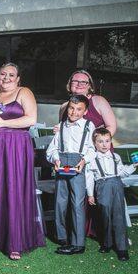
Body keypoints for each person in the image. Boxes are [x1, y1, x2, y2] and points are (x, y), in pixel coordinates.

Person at [0, 62, 45, 260]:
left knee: (13, 189)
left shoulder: (24, 92)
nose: (6, 78)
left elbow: (31, 119)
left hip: (16, 147)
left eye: (11, 75)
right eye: (3, 74)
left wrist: (4, 123)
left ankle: (15, 242)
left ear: (18, 79)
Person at [58, 69, 118, 238]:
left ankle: (108, 230)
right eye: (75, 81)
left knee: (102, 192)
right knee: (78, 192)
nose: (78, 84)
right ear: (69, 85)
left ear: (90, 86)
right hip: (75, 158)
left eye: (83, 82)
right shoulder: (64, 107)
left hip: (99, 152)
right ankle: (79, 229)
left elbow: (111, 127)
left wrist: (96, 148)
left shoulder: (99, 101)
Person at [46, 94, 96, 255]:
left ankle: (78, 243)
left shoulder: (89, 126)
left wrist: (83, 161)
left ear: (85, 111)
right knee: (60, 203)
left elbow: (92, 149)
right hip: (62, 165)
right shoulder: (61, 126)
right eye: (71, 108)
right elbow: (52, 149)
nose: (74, 112)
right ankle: (62, 237)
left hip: (78, 166)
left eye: (79, 109)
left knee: (77, 204)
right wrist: (55, 159)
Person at [86, 128, 138, 261]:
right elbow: (89, 178)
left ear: (111, 142)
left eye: (107, 141)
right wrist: (90, 194)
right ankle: (106, 243)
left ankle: (122, 248)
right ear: (94, 143)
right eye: (100, 142)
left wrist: (134, 165)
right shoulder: (92, 159)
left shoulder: (115, 157)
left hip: (116, 184)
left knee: (118, 215)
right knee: (104, 215)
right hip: (101, 185)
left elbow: (122, 172)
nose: (104, 144)